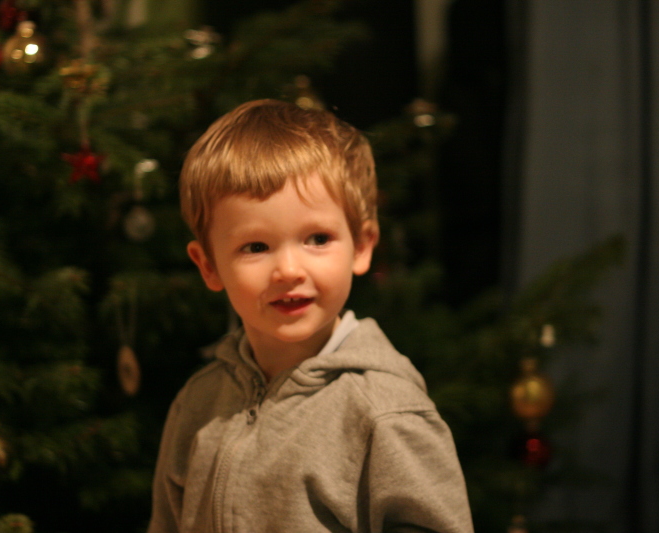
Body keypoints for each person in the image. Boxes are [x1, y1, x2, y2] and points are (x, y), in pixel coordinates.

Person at [148, 99, 473, 533]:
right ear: (209, 266)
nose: (288, 270)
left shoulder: (384, 410)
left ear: (361, 246)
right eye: (256, 247)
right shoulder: (198, 403)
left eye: (317, 239)